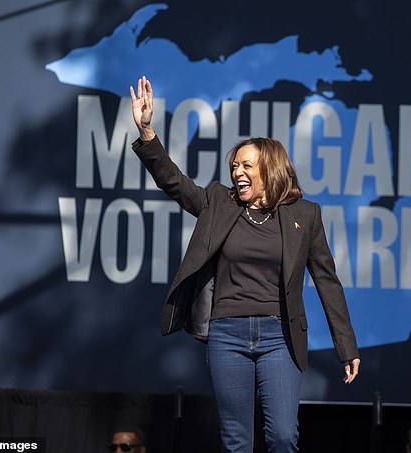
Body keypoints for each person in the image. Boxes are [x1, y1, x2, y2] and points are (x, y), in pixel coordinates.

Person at [130, 76, 360, 453]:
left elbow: (327, 281)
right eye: (234, 166)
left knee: (283, 437)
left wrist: (346, 346)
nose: (237, 172)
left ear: (270, 168)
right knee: (236, 440)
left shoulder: (305, 214)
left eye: (247, 166)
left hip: (279, 337)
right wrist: (147, 132)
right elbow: (173, 182)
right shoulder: (219, 203)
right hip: (227, 334)